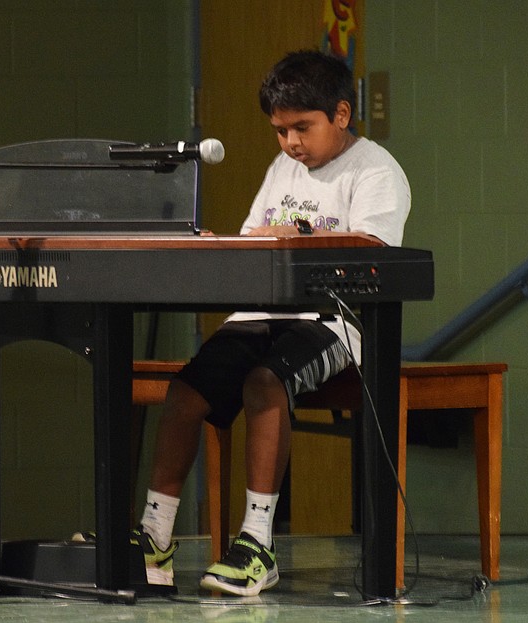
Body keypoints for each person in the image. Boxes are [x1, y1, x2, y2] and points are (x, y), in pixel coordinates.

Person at [132, 49, 411, 597]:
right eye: (280, 132)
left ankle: (257, 543)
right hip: (263, 314)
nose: (291, 144)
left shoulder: (376, 170)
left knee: (265, 381)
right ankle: (154, 537)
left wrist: (293, 237)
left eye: (301, 129)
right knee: (186, 392)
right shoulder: (283, 168)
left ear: (341, 114)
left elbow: (373, 252)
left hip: (337, 322)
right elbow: (256, 240)